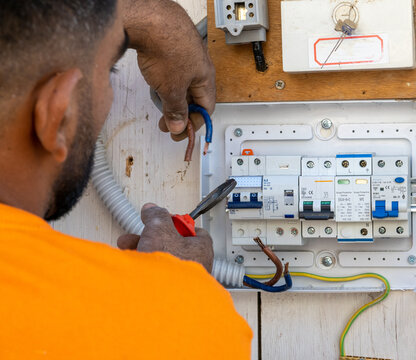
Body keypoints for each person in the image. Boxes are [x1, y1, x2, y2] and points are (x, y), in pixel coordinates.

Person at [0, 0, 252, 358]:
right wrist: (176, 289)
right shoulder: (185, 322)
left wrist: (148, 15)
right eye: (110, 73)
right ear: (59, 113)